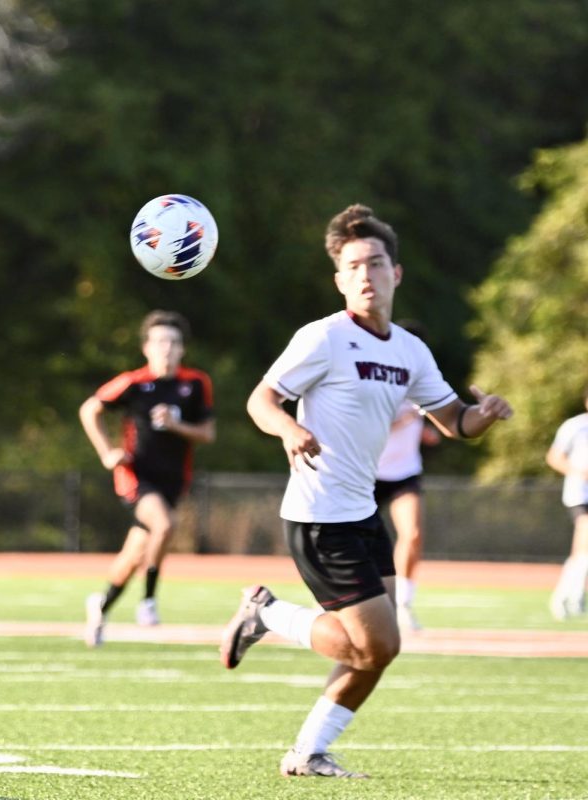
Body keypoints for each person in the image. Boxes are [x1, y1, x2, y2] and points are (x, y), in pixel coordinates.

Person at [219, 204, 512, 778]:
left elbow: (453, 420)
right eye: (352, 266)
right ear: (339, 278)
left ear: (395, 273)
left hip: (361, 513)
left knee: (379, 650)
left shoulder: (409, 350)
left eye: (375, 263)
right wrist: (290, 428)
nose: (364, 276)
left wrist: (485, 414)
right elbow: (261, 400)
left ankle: (307, 752)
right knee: (374, 647)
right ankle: (268, 615)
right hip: (319, 516)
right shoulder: (324, 338)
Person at [79, 310, 215, 647]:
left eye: (173, 342)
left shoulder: (196, 383)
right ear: (146, 348)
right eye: (160, 342)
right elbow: (89, 409)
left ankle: (101, 605)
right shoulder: (133, 383)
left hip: (173, 480)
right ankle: (149, 601)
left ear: (182, 348)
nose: (166, 348)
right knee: (165, 526)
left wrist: (176, 426)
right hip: (135, 478)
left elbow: (208, 433)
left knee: (134, 553)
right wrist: (107, 452)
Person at [373, 320, 442, 632]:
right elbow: (369, 423)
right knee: (356, 543)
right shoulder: (376, 375)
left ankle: (403, 604)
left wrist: (427, 431)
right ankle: (338, 601)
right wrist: (403, 420)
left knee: (412, 534)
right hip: (368, 472)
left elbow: (441, 417)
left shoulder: (422, 381)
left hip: (405, 474)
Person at [545, 384, 588, 620]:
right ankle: (566, 597)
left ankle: (571, 596)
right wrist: (579, 471)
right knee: (585, 541)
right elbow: (554, 457)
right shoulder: (575, 426)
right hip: (579, 494)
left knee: (582, 550)